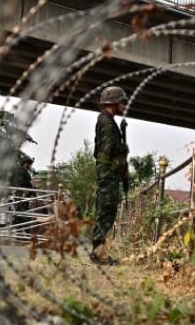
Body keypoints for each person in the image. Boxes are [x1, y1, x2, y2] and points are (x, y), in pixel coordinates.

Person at [89, 86, 130, 265]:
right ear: (113, 102)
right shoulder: (106, 122)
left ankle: (98, 251)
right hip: (107, 171)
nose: (124, 105)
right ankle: (99, 253)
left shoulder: (107, 120)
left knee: (104, 210)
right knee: (107, 210)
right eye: (121, 102)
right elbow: (108, 149)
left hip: (106, 170)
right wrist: (123, 148)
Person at [12, 153, 34, 225]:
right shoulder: (24, 171)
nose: (30, 166)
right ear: (25, 164)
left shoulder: (19, 170)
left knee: (20, 210)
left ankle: (19, 226)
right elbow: (30, 183)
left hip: (20, 193)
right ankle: (22, 227)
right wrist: (34, 186)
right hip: (23, 194)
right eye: (29, 164)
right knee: (23, 210)